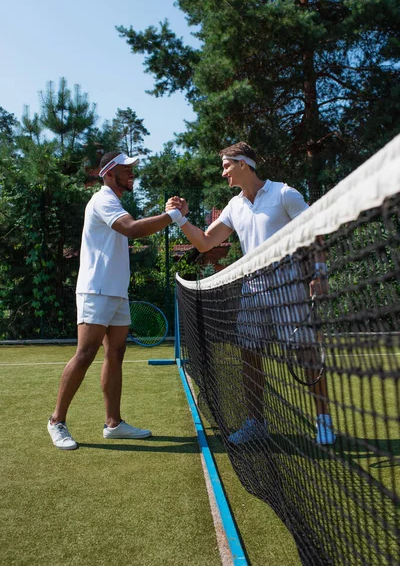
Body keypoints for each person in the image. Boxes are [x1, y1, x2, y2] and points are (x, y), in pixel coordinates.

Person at [166, 142, 336, 445]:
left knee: (306, 354)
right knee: (249, 356)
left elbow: (315, 230)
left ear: (243, 163)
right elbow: (205, 242)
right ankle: (256, 422)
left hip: (289, 288)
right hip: (252, 289)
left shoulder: (285, 194)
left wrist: (320, 272)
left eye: (226, 166)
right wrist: (180, 218)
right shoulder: (234, 206)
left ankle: (324, 420)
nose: (223, 173)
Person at [47, 151, 187, 450]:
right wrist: (174, 216)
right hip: (95, 290)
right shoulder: (103, 199)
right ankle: (56, 420)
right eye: (127, 170)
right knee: (85, 354)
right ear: (109, 174)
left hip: (116, 291)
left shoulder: (115, 202)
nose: (132, 174)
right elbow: (132, 229)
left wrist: (168, 214)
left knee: (116, 353)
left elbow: (136, 224)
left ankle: (113, 424)